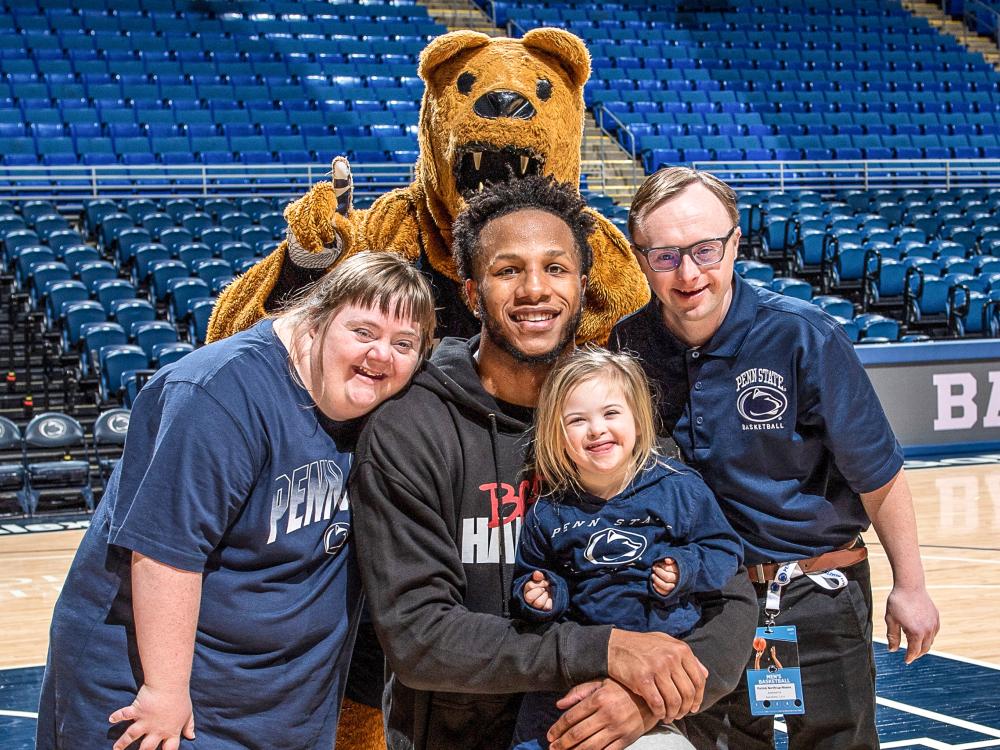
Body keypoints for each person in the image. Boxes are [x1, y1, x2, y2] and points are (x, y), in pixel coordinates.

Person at [350, 174, 758, 750]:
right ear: (471, 292)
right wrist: (601, 649)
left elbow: (729, 590)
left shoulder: (612, 415)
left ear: (584, 286)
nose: (534, 289)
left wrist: (648, 697)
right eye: (508, 270)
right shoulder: (412, 428)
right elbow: (419, 638)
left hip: (615, 726)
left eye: (556, 268)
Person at [36, 252, 437, 750]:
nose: (381, 355)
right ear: (315, 321)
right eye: (363, 332)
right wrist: (164, 692)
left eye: (404, 344)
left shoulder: (379, 405)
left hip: (277, 704)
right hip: (161, 696)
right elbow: (164, 555)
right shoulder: (218, 393)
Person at [611, 166, 940, 750]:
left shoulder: (803, 336)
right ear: (640, 258)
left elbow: (878, 473)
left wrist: (909, 586)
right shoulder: (627, 348)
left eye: (705, 250)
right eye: (665, 256)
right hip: (695, 605)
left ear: (735, 243)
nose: (688, 273)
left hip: (817, 596)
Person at [508, 347, 744, 750]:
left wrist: (686, 568)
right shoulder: (548, 511)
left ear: (637, 417)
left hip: (658, 667)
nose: (596, 429)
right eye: (577, 421)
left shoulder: (679, 488)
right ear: (556, 434)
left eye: (611, 413)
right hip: (575, 671)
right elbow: (532, 577)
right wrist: (542, 593)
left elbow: (725, 550)